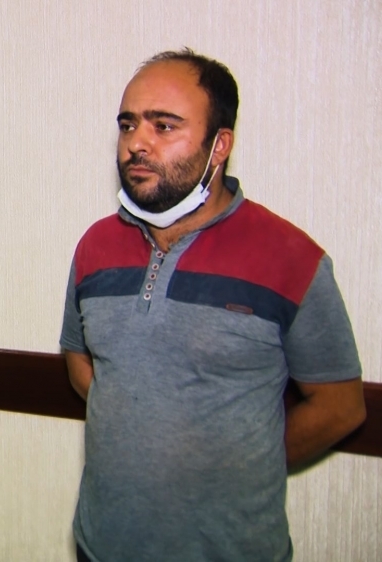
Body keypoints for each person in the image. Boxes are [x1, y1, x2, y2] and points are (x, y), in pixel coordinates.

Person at [60, 49, 366, 561]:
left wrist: (237, 465)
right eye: (128, 124)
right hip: (101, 546)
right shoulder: (95, 246)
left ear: (219, 145)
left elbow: (341, 407)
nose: (137, 142)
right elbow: (79, 362)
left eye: (164, 126)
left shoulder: (290, 258)